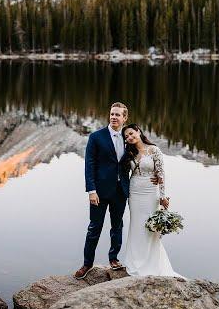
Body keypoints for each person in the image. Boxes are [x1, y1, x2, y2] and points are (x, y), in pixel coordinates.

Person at [74, 102, 160, 279]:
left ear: (124, 118)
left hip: (121, 191)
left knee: (117, 225)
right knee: (94, 227)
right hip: (99, 191)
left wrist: (155, 177)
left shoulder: (129, 139)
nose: (114, 117)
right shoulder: (96, 137)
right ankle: (87, 264)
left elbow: (143, 157)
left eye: (118, 115)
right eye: (112, 114)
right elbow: (89, 165)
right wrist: (91, 190)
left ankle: (113, 258)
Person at [120, 123, 184, 278]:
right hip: (134, 192)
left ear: (138, 131)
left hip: (150, 193)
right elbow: (122, 172)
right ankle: (135, 262)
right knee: (136, 226)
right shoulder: (129, 153)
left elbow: (161, 174)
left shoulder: (154, 150)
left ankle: (151, 264)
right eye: (126, 136)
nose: (129, 137)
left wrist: (162, 197)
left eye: (131, 133)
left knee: (150, 226)